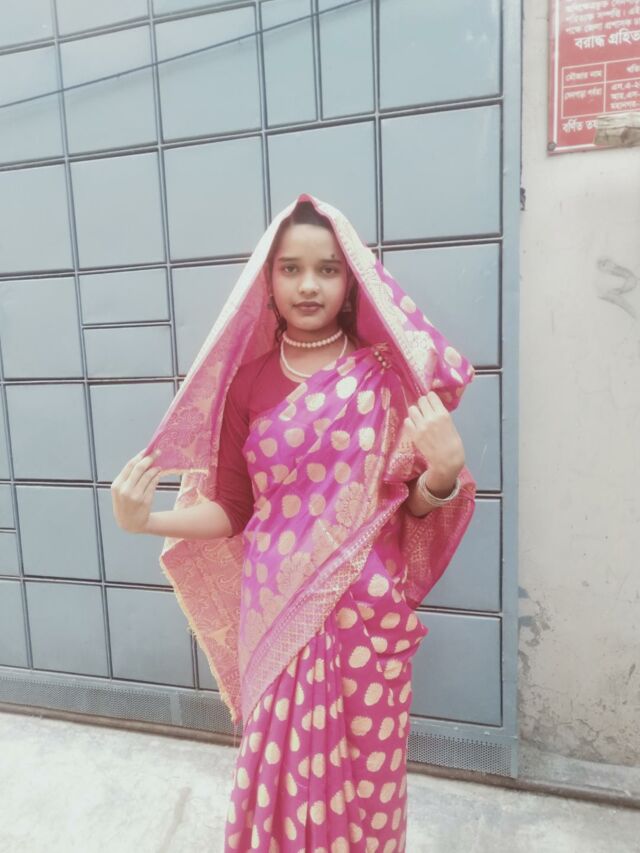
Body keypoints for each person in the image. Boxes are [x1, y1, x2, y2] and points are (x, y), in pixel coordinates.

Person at [111, 194, 477, 852]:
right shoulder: (248, 384)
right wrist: (148, 520)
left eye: (327, 269)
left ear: (351, 283)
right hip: (277, 613)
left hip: (366, 617)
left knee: (367, 785)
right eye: (291, 269)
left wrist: (443, 475)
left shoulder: (385, 380)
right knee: (279, 771)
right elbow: (232, 509)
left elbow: (412, 506)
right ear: (268, 281)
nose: (309, 284)